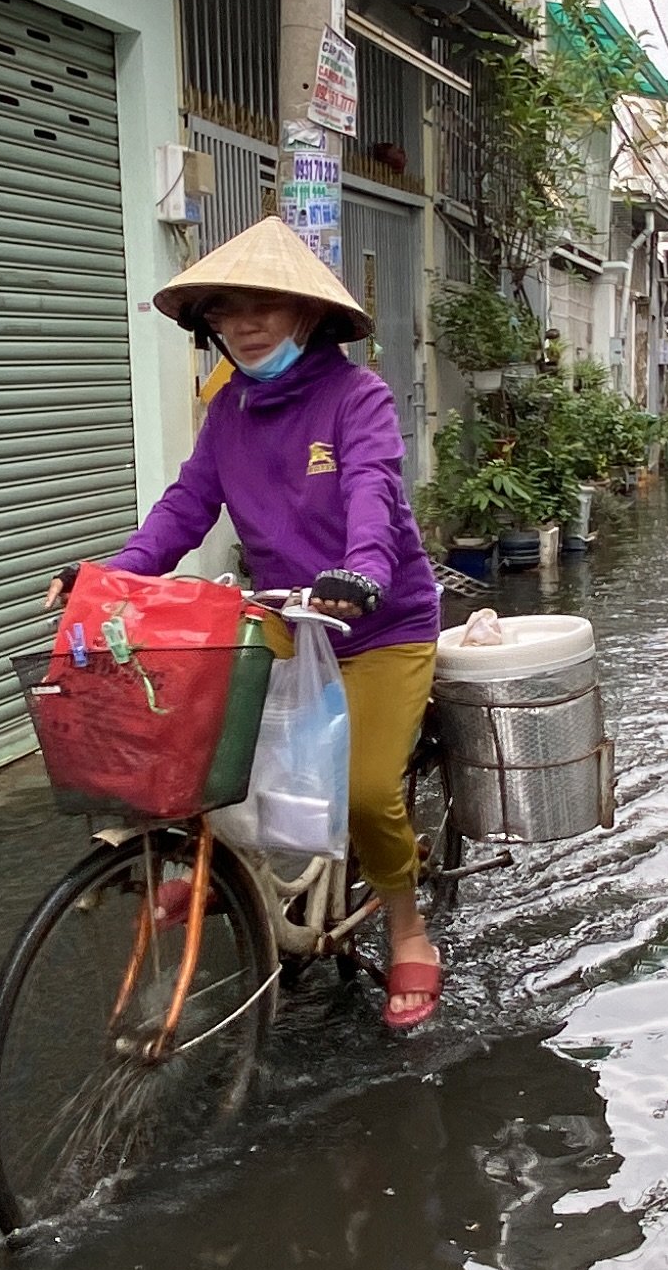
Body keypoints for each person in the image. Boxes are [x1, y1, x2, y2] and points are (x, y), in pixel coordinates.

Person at [77, 216, 447, 1027]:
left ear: (306, 316)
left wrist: (364, 573)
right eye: (226, 312)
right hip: (286, 613)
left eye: (264, 309)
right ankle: (228, 872)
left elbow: (372, 496)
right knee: (208, 740)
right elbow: (185, 507)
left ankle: (409, 927)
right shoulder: (228, 412)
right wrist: (112, 577)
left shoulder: (358, 396)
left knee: (365, 789)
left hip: (378, 620)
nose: (243, 327)